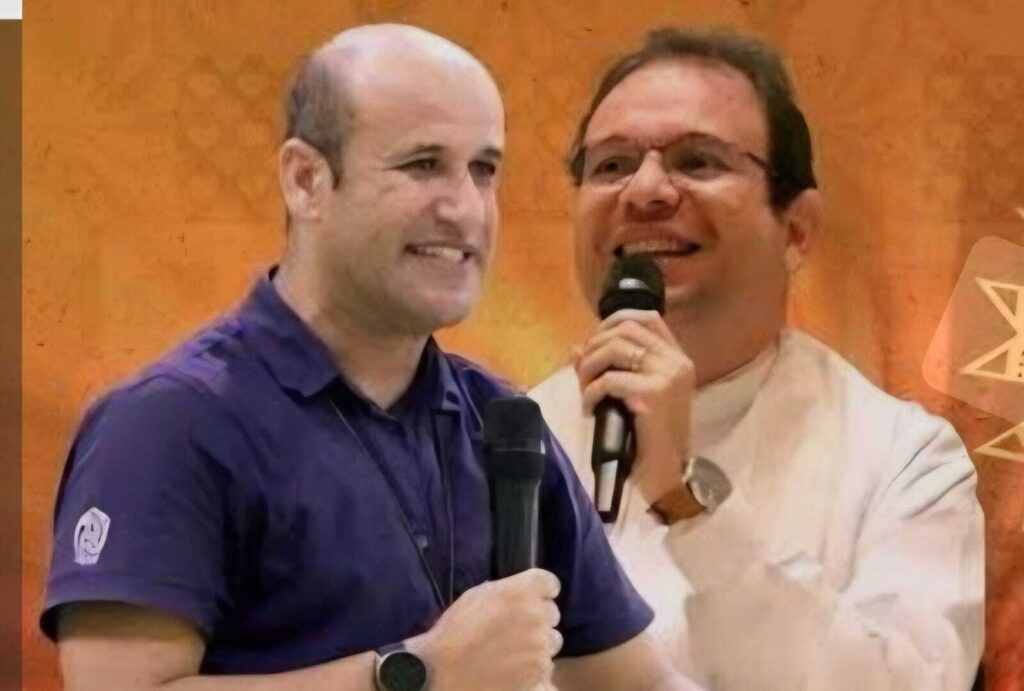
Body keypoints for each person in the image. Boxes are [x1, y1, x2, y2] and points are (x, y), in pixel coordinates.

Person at [42, 24, 699, 691]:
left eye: (484, 170)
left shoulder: (500, 423)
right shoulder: (172, 422)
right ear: (306, 180)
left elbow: (640, 685)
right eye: (423, 165)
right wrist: (418, 673)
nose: (466, 210)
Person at [530, 27, 984, 691]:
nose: (645, 190)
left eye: (697, 161)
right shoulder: (498, 433)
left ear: (796, 231)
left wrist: (686, 502)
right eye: (611, 165)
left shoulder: (905, 459)